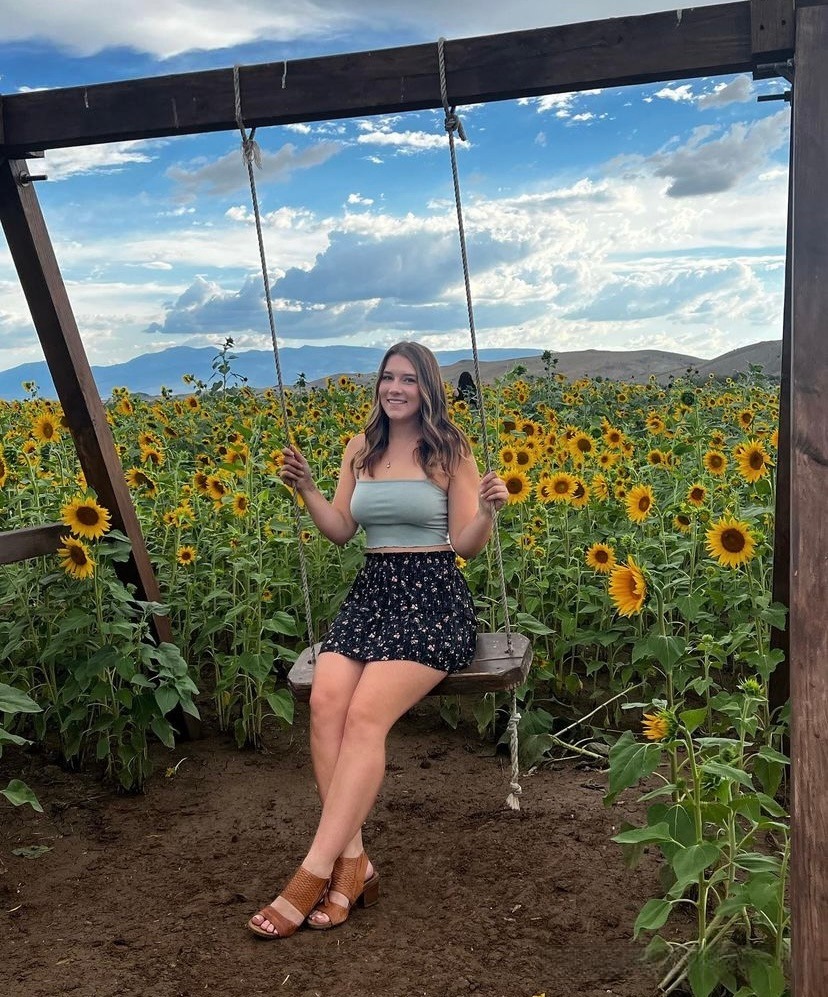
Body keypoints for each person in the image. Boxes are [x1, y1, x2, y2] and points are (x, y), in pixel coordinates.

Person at [247, 341, 508, 939]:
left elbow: (465, 546)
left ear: (427, 388)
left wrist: (488, 512)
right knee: (325, 704)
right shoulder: (359, 448)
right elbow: (341, 530)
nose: (395, 388)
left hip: (433, 597)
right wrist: (308, 489)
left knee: (365, 716)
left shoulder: (450, 449)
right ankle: (355, 862)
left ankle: (312, 872)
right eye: (388, 377)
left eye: (408, 380)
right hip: (372, 595)